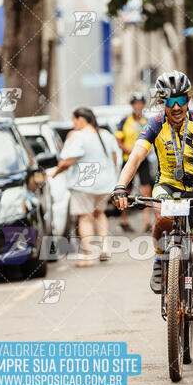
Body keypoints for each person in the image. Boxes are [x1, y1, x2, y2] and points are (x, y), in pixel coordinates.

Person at [111, 71, 193, 349]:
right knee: (164, 217)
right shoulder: (154, 124)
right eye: (169, 100)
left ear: (188, 99)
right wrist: (121, 185)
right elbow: (137, 155)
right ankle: (159, 261)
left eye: (180, 99)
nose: (175, 106)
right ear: (161, 102)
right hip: (167, 186)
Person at [51, 107, 118, 267]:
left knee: (85, 217)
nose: (73, 124)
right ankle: (105, 249)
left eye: (74, 120)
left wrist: (54, 174)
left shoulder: (77, 136)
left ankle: (89, 256)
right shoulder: (105, 134)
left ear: (81, 119)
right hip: (105, 182)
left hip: (85, 183)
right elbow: (115, 157)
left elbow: (68, 160)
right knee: (100, 213)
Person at [115, 93, 153, 233]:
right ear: (132, 105)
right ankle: (124, 220)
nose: (138, 106)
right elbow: (119, 141)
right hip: (128, 160)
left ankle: (147, 222)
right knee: (126, 191)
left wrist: (147, 152)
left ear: (143, 105)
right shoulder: (125, 121)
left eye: (140, 103)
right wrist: (131, 152)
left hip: (143, 160)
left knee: (146, 190)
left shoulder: (147, 121)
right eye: (135, 103)